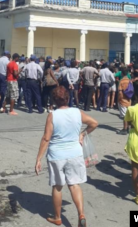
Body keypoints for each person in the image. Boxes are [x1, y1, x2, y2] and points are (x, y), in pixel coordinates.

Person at [35, 86, 98, 226]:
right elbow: (94, 123)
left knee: (58, 186)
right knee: (74, 185)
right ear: (68, 98)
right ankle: (81, 213)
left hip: (57, 155)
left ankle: (57, 217)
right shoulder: (77, 112)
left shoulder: (52, 115)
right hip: (75, 153)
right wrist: (82, 134)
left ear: (54, 101)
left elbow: (46, 138)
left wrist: (38, 158)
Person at [116, 67, 131, 135]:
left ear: (121, 73)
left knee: (124, 116)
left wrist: (119, 99)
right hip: (129, 99)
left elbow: (120, 92)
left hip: (123, 100)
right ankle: (127, 127)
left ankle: (124, 129)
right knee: (127, 115)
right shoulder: (129, 80)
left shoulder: (121, 81)